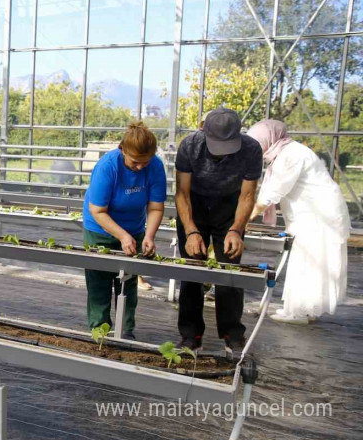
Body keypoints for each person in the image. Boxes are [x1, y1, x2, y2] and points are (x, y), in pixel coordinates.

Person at [174, 107, 262, 352]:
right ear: (203, 130)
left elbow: (247, 195)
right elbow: (181, 193)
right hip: (195, 205)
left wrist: (236, 229)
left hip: (229, 208)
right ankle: (191, 335)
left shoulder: (252, 149)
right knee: (193, 269)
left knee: (230, 270)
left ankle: (232, 333)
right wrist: (191, 231)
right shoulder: (190, 146)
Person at [247, 120, 350, 324]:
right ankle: (305, 310)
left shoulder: (290, 155)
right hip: (314, 213)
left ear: (269, 139)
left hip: (319, 215)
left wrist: (242, 221)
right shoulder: (284, 153)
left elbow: (270, 194)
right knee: (309, 260)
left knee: (309, 259)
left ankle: (299, 312)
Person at [82, 122, 167, 341]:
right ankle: (100, 329)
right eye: (135, 162)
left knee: (128, 282)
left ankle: (126, 330)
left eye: (145, 162)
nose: (140, 167)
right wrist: (121, 235)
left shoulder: (155, 166)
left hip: (134, 228)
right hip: (100, 228)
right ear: (123, 150)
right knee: (99, 283)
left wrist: (149, 235)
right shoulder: (108, 166)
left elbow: (156, 207)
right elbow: (98, 210)